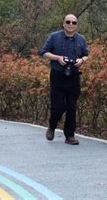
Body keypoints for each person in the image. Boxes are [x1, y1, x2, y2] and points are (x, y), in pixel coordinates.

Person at [39, 14, 89, 145]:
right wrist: (58, 58)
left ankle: (70, 136)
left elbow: (86, 54)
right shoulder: (54, 37)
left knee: (72, 107)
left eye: (74, 22)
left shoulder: (81, 39)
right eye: (68, 22)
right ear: (63, 23)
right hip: (58, 75)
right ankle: (52, 126)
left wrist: (82, 60)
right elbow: (43, 52)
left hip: (74, 75)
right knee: (58, 106)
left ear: (77, 25)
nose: (71, 25)